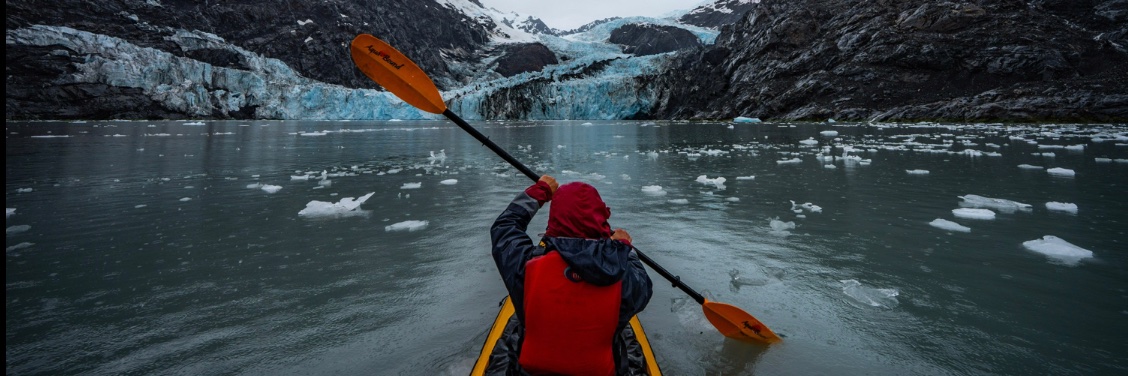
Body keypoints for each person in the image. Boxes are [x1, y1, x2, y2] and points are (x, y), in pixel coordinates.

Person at [491, 175, 653, 376]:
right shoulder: (625, 279)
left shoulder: (524, 266)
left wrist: (538, 192)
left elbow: (504, 228)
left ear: (554, 221)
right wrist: (622, 249)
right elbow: (644, 288)